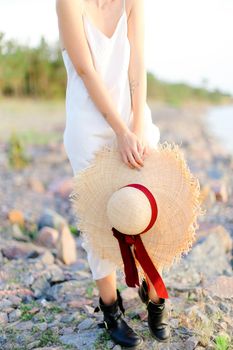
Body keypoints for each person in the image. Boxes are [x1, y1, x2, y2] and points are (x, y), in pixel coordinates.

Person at [56, 0, 170, 347]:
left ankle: (154, 289)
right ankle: (110, 307)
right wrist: (120, 131)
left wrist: (136, 127)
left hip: (132, 117)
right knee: (98, 217)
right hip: (89, 124)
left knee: (148, 205)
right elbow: (86, 69)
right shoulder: (67, 3)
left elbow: (137, 63)